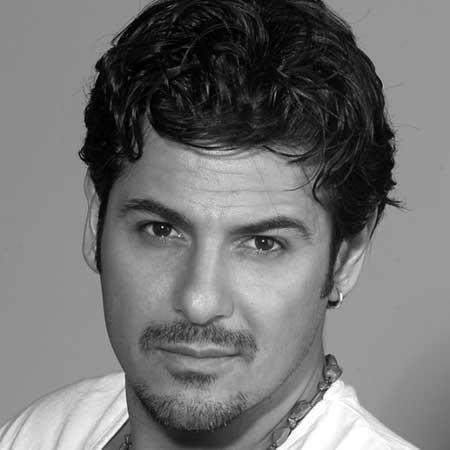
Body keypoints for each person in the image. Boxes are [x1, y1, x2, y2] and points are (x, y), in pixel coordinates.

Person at [0, 0, 419, 449]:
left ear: (345, 258)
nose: (199, 301)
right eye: (161, 230)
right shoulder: (40, 435)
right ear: (95, 222)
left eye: (262, 243)